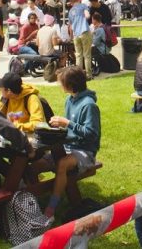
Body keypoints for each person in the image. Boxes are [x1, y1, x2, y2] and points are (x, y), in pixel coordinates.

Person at [37, 66, 100, 219]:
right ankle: (32, 204)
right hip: (66, 146)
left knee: (62, 164)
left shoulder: (89, 105)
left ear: (70, 85)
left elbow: (91, 134)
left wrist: (67, 123)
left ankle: (51, 208)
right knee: (33, 168)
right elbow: (69, 129)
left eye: (61, 82)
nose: (59, 85)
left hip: (85, 151)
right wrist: (55, 127)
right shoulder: (70, 100)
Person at [69, 0, 93, 80]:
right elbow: (87, 16)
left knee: (78, 55)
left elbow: (70, 26)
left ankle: (78, 75)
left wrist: (71, 37)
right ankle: (88, 75)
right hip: (84, 31)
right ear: (78, 0)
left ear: (71, 2)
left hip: (76, 34)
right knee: (87, 55)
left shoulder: (70, 11)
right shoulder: (83, 6)